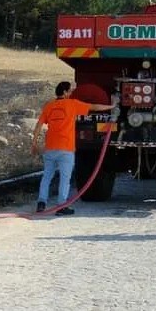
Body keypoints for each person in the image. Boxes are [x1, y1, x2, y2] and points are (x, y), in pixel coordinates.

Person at [31, 81, 113, 215]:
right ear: (64, 92)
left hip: (50, 148)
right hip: (66, 150)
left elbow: (39, 125)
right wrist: (111, 106)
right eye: (69, 91)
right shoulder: (72, 104)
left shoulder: (49, 106)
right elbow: (94, 107)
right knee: (65, 179)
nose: (71, 93)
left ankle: (41, 203)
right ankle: (62, 206)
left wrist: (34, 144)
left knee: (46, 177)